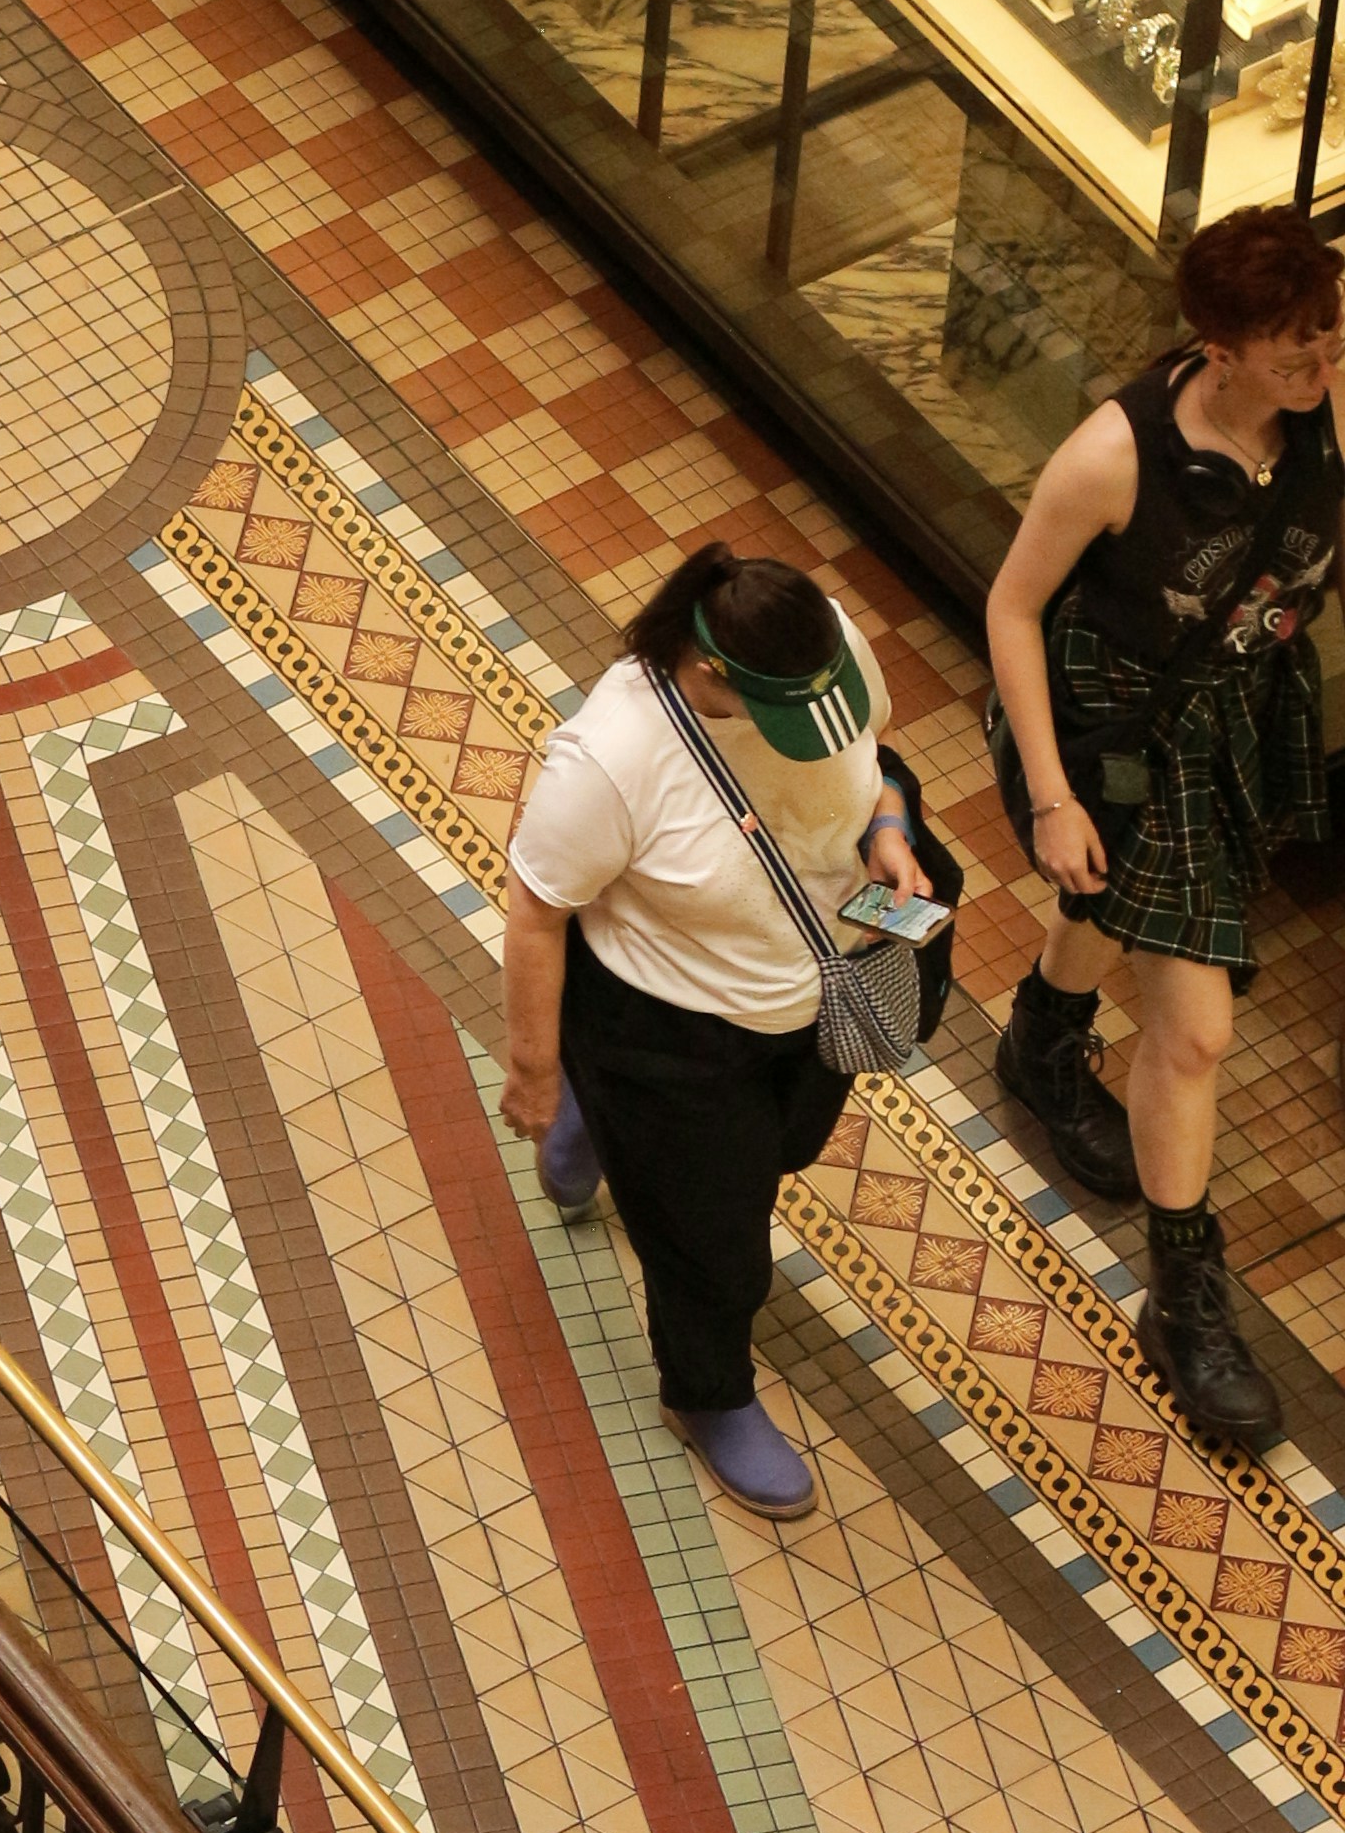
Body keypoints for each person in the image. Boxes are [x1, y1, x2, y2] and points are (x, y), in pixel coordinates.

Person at [985, 199, 1339, 1457]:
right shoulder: (1113, 454)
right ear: (1222, 345)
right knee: (1194, 1034)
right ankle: (1186, 1299)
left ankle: (1043, 1037)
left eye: (1329, 339)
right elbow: (1013, 610)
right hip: (1109, 725)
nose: (1321, 367)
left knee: (1115, 895)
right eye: (1294, 351)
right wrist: (1051, 793)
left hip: (1235, 711)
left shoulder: (1326, 403)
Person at [503, 549, 933, 1522]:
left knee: (781, 1151)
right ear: (711, 675)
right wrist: (533, 1067)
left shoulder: (816, 639)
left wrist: (889, 830)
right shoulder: (613, 757)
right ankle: (708, 1395)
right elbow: (534, 911)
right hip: (669, 1034)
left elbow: (879, 760)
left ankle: (610, 1132)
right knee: (715, 1244)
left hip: (812, 992)